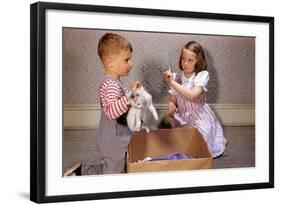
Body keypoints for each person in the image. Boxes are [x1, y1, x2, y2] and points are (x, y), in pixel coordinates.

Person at [64, 33, 140, 176]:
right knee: (112, 174)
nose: (131, 63)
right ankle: (82, 171)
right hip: (112, 142)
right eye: (126, 59)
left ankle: (90, 169)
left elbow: (122, 103)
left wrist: (133, 95)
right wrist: (129, 97)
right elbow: (112, 111)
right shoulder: (109, 85)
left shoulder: (117, 83)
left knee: (120, 168)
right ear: (111, 63)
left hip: (120, 139)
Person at [163, 41, 226, 158]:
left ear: (198, 61)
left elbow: (192, 95)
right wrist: (171, 103)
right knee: (178, 141)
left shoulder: (201, 75)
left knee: (201, 139)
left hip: (199, 116)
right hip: (184, 117)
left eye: (190, 60)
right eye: (183, 59)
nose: (185, 63)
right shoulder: (177, 76)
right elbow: (173, 98)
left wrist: (172, 82)